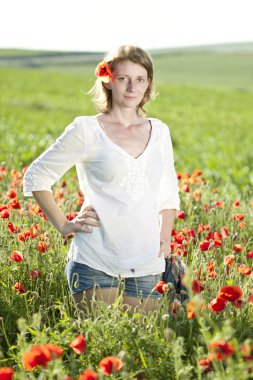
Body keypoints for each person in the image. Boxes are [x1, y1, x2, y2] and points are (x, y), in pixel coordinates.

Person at [23, 45, 180, 314]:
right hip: (95, 257)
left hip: (147, 258)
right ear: (108, 81)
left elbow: (168, 191)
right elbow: (37, 175)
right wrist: (64, 225)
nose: (132, 87)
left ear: (148, 84)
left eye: (140, 79)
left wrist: (165, 237)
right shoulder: (87, 130)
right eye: (123, 79)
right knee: (97, 344)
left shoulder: (160, 131)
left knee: (139, 347)